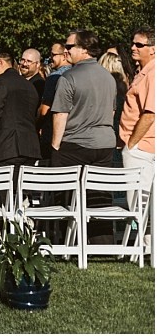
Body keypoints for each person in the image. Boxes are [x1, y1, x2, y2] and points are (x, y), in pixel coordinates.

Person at [51, 30, 117, 244]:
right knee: (100, 195)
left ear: (85, 49)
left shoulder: (68, 77)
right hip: (105, 142)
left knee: (67, 197)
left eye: (70, 47)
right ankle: (103, 242)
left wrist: (55, 147)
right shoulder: (109, 77)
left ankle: (68, 243)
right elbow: (112, 112)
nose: (65, 50)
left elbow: (61, 114)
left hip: (75, 143)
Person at [119, 27, 155, 243]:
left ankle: (146, 248)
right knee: (141, 204)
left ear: (153, 49)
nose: (133, 47)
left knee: (140, 204)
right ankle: (145, 247)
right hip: (141, 146)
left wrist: (132, 144)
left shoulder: (152, 73)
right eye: (133, 43)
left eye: (139, 45)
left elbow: (150, 113)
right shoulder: (144, 71)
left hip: (141, 148)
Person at [0, 50, 40, 186]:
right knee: (23, 193)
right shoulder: (29, 85)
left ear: (0, 62)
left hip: (7, 147)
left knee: (6, 195)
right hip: (31, 147)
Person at [37, 41, 71, 166]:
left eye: (53, 54)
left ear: (64, 55)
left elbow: (45, 108)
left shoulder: (54, 77)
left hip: (53, 131)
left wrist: (37, 124)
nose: (50, 58)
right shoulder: (76, 74)